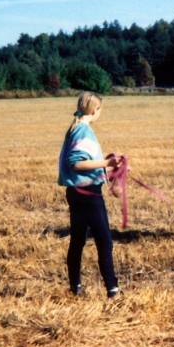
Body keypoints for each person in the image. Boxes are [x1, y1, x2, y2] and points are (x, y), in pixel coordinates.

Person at [58, 92, 123, 298]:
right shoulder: (83, 131)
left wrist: (108, 163)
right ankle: (112, 290)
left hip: (76, 192)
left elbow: (84, 160)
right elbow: (77, 163)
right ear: (95, 110)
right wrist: (107, 164)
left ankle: (75, 287)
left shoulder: (75, 128)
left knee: (77, 240)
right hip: (88, 194)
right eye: (100, 109)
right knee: (104, 241)